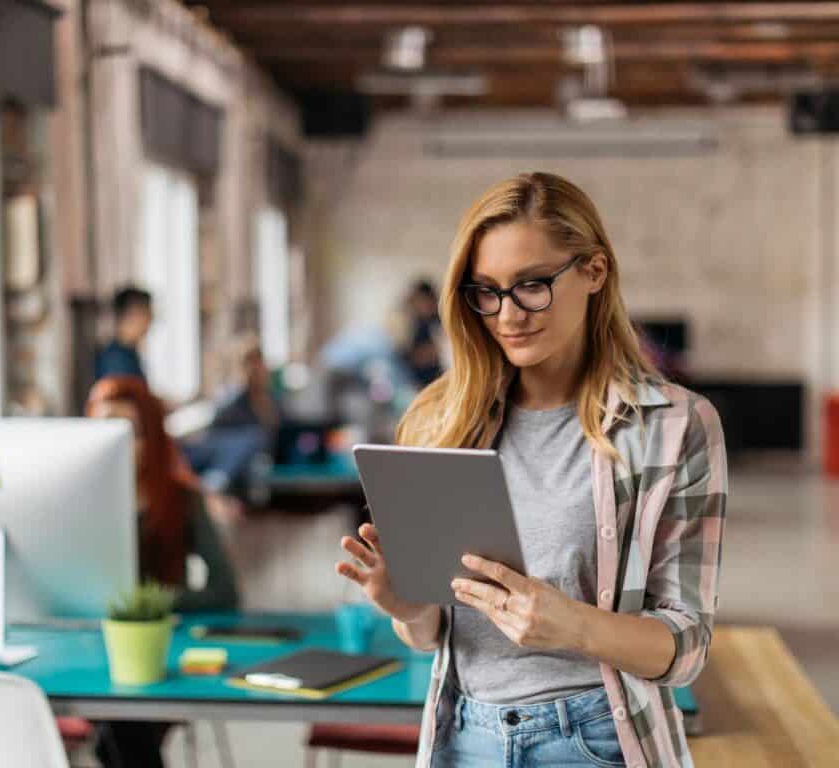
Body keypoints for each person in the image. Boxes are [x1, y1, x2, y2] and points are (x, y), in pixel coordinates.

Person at [335, 172, 726, 768]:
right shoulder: (441, 421)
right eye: (486, 291)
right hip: (463, 737)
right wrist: (405, 604)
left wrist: (573, 625)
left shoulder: (674, 426)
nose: (507, 315)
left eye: (532, 285)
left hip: (595, 742)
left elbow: (688, 645)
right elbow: (435, 633)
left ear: (594, 272)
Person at [85, 376, 240, 768]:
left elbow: (225, 590)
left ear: (151, 437)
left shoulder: (181, 499)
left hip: (164, 652)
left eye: (129, 432)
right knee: (114, 717)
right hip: (91, 649)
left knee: (119, 720)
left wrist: (151, 605)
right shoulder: (77, 500)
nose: (116, 442)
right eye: (104, 428)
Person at [182, 333, 280, 495]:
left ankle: (216, 484)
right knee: (250, 439)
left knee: (255, 439)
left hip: (250, 461)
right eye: (249, 363)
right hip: (217, 451)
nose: (256, 369)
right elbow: (214, 424)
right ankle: (213, 485)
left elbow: (274, 428)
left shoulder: (269, 399)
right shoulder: (231, 396)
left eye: (258, 362)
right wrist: (241, 385)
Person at [95, 286, 154, 384]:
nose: (151, 320)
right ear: (134, 314)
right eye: (147, 313)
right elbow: (125, 397)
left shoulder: (128, 353)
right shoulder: (115, 360)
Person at [401, 278, 445, 388]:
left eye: (420, 300)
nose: (417, 305)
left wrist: (419, 356)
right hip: (417, 381)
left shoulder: (439, 322)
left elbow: (440, 351)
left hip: (435, 381)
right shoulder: (418, 322)